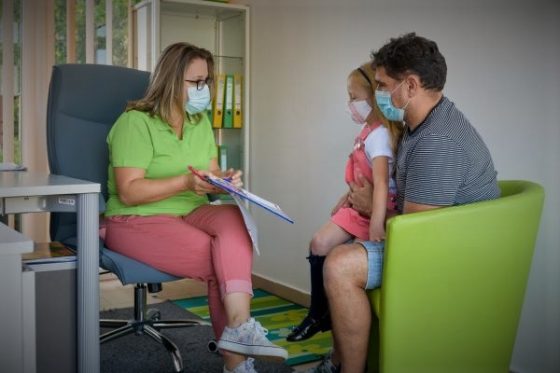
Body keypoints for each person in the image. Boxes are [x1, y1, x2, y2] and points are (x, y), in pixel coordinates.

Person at [312, 33, 500, 373]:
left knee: (340, 264)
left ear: (410, 85)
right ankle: (342, 360)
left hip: (452, 255)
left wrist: (371, 208)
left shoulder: (437, 141)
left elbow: (416, 235)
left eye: (383, 85)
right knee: (344, 246)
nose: (379, 94)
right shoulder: (419, 126)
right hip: (443, 239)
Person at [103, 42, 287, 373]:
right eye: (195, 82)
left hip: (189, 211)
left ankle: (240, 330)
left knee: (235, 217)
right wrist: (185, 183)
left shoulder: (199, 121)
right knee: (222, 260)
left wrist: (224, 179)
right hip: (136, 218)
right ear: (172, 80)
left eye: (206, 81)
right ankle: (237, 360)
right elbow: (130, 192)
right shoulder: (135, 123)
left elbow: (209, 172)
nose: (204, 89)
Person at [287, 63, 403, 342]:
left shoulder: (380, 137)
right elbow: (361, 177)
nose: (349, 104)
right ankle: (319, 311)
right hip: (358, 205)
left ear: (374, 98)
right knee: (318, 244)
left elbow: (382, 184)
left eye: (354, 97)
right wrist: (346, 198)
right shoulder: (368, 131)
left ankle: (320, 313)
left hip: (371, 211)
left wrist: (377, 222)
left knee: (324, 246)